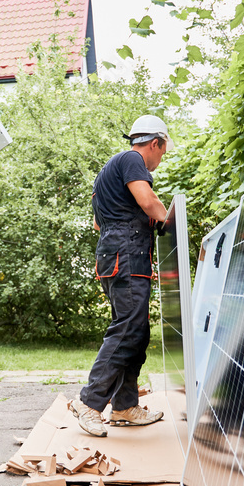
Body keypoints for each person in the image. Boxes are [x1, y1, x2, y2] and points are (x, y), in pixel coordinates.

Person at [71, 114, 173, 437]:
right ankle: (89, 402)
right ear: (155, 143)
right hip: (126, 256)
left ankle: (125, 406)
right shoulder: (131, 159)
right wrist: (172, 225)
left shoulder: (106, 174)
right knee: (128, 328)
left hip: (116, 255)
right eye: (162, 151)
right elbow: (148, 201)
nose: (159, 160)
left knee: (136, 332)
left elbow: (100, 224)